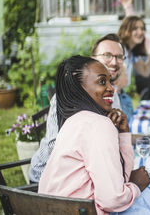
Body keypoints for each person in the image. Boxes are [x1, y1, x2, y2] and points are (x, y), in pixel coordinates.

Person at [38, 55, 150, 215]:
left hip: (57, 209)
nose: (111, 88)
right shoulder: (97, 124)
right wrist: (136, 185)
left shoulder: (73, 121)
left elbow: (117, 181)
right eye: (102, 82)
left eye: (110, 81)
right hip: (84, 210)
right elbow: (112, 200)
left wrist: (124, 134)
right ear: (80, 87)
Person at [29, 34, 133, 183]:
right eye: (107, 55)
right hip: (49, 177)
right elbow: (55, 146)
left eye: (119, 57)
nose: (114, 62)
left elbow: (111, 141)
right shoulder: (68, 96)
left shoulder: (111, 92)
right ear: (92, 59)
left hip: (90, 172)